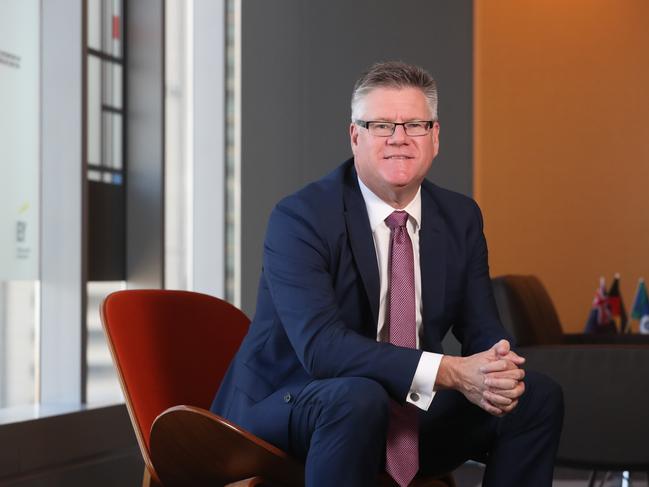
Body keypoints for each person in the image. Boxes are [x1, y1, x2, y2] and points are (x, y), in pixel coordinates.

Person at [211, 61, 563, 487]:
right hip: (292, 404)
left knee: (535, 397)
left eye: (415, 124)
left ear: (435, 137)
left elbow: (481, 325)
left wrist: (496, 370)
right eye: (381, 125)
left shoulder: (460, 217)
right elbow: (322, 350)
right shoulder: (301, 217)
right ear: (355, 136)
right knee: (358, 397)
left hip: (398, 410)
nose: (399, 138)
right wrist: (450, 372)